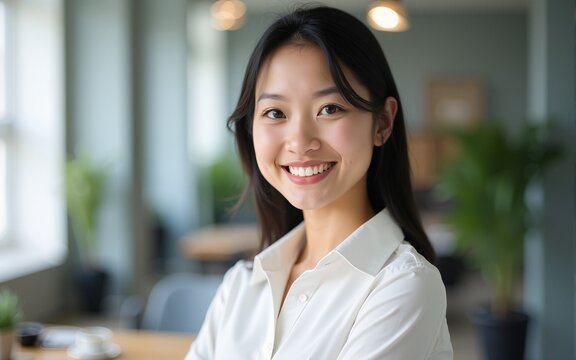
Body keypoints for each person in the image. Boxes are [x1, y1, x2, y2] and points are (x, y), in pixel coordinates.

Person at [186, 6, 453, 359]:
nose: (299, 140)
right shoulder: (241, 285)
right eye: (275, 113)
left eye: (330, 108)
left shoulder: (404, 285)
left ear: (382, 123)